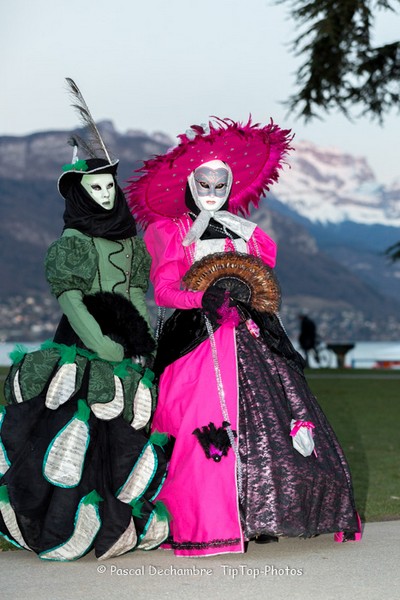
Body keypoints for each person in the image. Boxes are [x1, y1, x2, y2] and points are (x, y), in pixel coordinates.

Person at [126, 117, 361, 557]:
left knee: (274, 425)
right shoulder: (171, 230)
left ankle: (260, 515)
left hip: (252, 338)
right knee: (205, 431)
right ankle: (204, 520)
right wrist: (203, 298)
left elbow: (262, 278)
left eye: (221, 183)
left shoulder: (245, 232)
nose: (212, 191)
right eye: (204, 182)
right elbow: (164, 290)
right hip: (196, 341)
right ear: (190, 184)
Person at [0, 126, 169, 559]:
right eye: (96, 187)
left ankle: (118, 523)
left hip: (123, 343)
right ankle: (64, 520)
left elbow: (134, 295)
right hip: (81, 344)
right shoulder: (72, 243)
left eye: (110, 185)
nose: (106, 193)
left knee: (122, 431)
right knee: (73, 430)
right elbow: (72, 301)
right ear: (80, 192)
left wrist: (142, 343)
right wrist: (101, 345)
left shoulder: (130, 242)